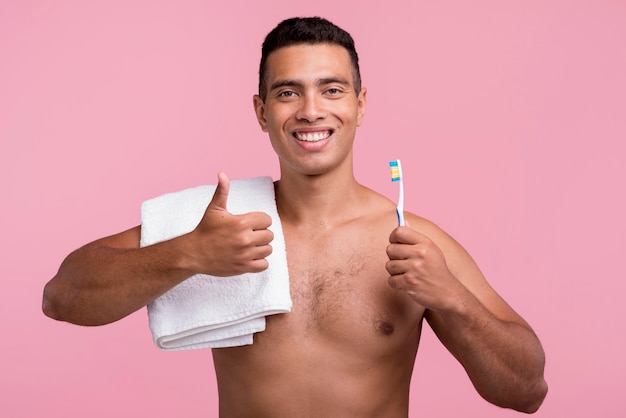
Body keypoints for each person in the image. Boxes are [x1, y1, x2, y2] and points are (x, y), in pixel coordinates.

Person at [43, 16, 548, 417]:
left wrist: (452, 298)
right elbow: (62, 297)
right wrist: (189, 253)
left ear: (360, 103)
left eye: (331, 89)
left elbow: (526, 391)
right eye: (288, 92)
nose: (310, 110)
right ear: (262, 112)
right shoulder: (220, 224)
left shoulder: (412, 240)